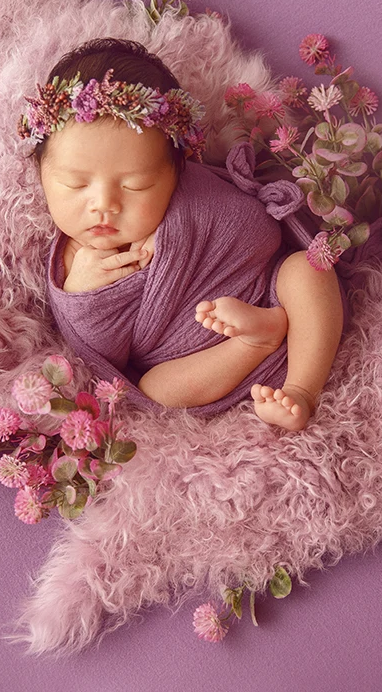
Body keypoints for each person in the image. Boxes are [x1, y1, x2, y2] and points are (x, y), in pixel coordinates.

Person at [18, 38, 344, 432]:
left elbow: (255, 231)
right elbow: (106, 356)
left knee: (307, 271)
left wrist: (188, 235)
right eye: (75, 184)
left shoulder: (196, 193)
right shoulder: (71, 264)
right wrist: (84, 295)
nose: (104, 204)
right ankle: (258, 339)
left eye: (136, 185)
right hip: (193, 362)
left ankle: (302, 389)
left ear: (177, 172)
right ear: (41, 174)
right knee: (156, 389)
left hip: (271, 293)